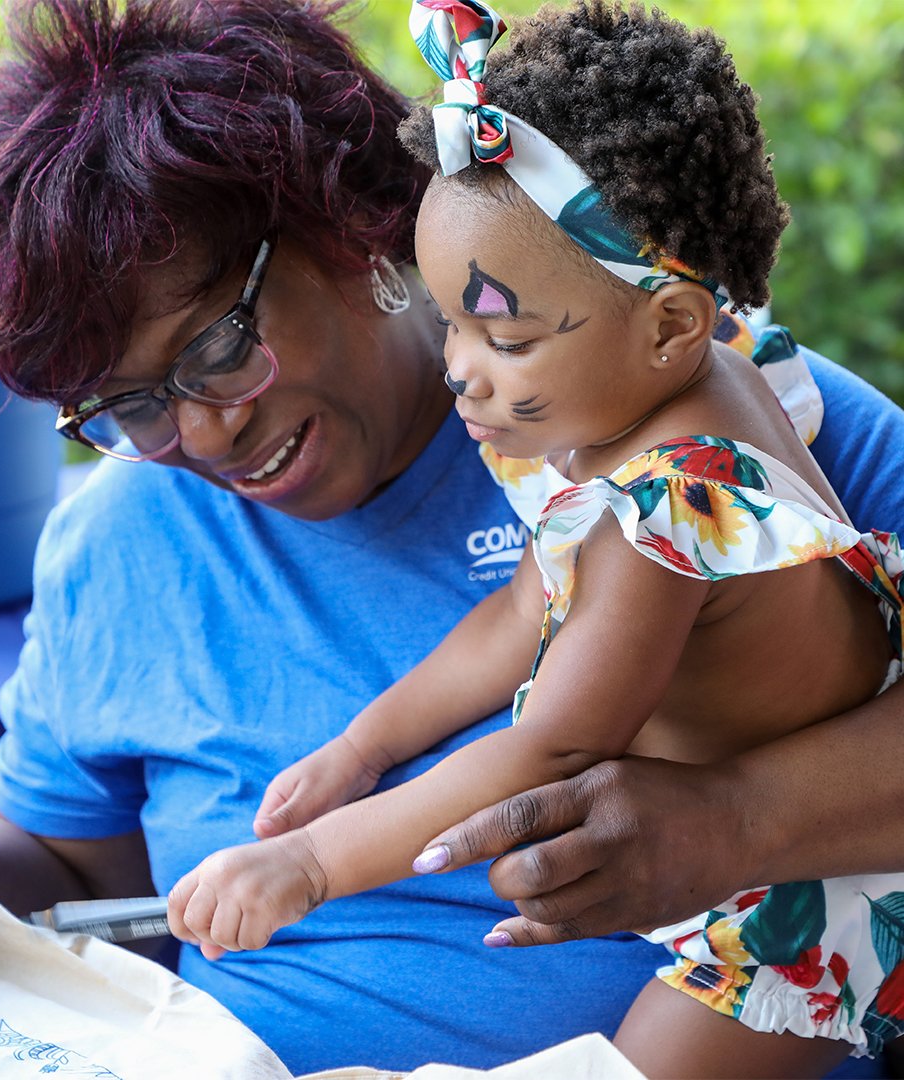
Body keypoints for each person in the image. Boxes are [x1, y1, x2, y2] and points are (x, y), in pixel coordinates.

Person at [0, 0, 902, 1077]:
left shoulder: (724, 418)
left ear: (346, 226)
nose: (201, 433)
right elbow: (74, 872)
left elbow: (559, 740)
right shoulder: (119, 541)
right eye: (128, 405)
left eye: (217, 350)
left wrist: (737, 820)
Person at [165, 1, 904, 1074]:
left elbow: (555, 745)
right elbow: (523, 610)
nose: (460, 369)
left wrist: (314, 865)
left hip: (818, 877)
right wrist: (361, 749)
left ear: (669, 326)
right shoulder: (638, 392)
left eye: (504, 337)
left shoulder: (665, 503)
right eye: (449, 321)